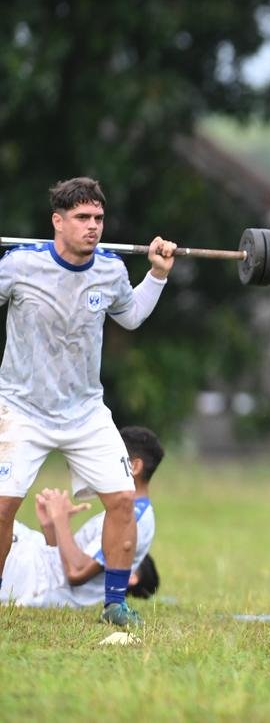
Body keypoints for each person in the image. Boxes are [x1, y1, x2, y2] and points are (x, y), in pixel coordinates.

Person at [0, 178, 175, 627]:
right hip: (22, 409)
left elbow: (131, 317)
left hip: (85, 413)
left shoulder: (112, 271)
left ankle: (115, 604)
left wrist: (156, 274)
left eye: (98, 218)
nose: (93, 227)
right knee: (2, 508)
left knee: (121, 501)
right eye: (82, 218)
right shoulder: (19, 265)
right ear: (57, 222)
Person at [2, 425, 163, 608]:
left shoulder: (134, 518)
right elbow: (61, 563)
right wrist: (52, 526)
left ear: (133, 467)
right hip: (36, 564)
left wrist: (61, 519)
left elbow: (76, 572)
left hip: (34, 578)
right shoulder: (126, 510)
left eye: (110, 457)